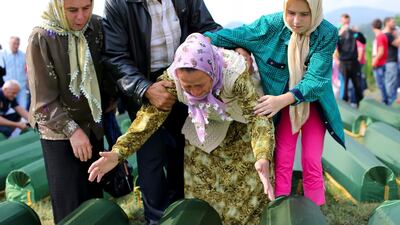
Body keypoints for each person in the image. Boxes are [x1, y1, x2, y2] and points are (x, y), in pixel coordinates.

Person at [89, 33, 275, 224]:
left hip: (241, 129)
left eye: (200, 85)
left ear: (211, 72)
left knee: (243, 198)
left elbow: (257, 116)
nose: (194, 92)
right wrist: (118, 153)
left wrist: (262, 155)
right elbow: (148, 119)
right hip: (203, 129)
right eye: (188, 87)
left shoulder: (234, 75)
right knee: (203, 198)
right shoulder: (173, 79)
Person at [204, 0, 345, 206]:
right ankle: (279, 210)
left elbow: (316, 80)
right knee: (283, 159)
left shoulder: (326, 32)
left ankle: (315, 212)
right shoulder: (269, 26)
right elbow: (233, 35)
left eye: (304, 14)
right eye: (291, 13)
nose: (296, 21)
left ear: (315, 10)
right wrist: (201, 40)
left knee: (311, 161)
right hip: (284, 107)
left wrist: (282, 100)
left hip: (311, 104)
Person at [101, 0, 221, 223]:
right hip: (143, 82)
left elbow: (208, 28)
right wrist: (144, 88)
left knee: (185, 152)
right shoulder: (118, 4)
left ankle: (183, 213)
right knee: (151, 157)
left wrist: (236, 45)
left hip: (184, 78)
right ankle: (156, 219)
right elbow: (115, 56)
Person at [26, 0, 111, 222]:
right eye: (72, 10)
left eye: (87, 8)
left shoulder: (96, 27)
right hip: (60, 135)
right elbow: (43, 102)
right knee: (72, 209)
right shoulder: (42, 37)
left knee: (94, 201)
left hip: (92, 127)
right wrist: (73, 131)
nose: (81, 17)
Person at [2, 37, 28, 110]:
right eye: (14, 44)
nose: (16, 46)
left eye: (18, 44)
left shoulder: (24, 55)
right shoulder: (2, 54)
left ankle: (24, 121)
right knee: (8, 109)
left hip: (21, 87)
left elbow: (28, 69)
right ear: (9, 43)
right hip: (8, 88)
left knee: (23, 107)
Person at [371, 18, 389, 105]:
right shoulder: (383, 35)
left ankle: (385, 101)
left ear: (373, 27)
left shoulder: (380, 36)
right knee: (382, 83)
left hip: (379, 64)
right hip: (382, 63)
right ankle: (385, 100)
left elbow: (380, 51)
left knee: (380, 84)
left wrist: (375, 60)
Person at [383, 17, 400, 105]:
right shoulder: (387, 34)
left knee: (391, 82)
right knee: (391, 82)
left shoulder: (387, 34)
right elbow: (397, 43)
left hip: (390, 61)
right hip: (390, 61)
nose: (394, 23)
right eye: (393, 22)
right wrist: (397, 35)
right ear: (387, 23)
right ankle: (391, 102)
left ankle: (391, 100)